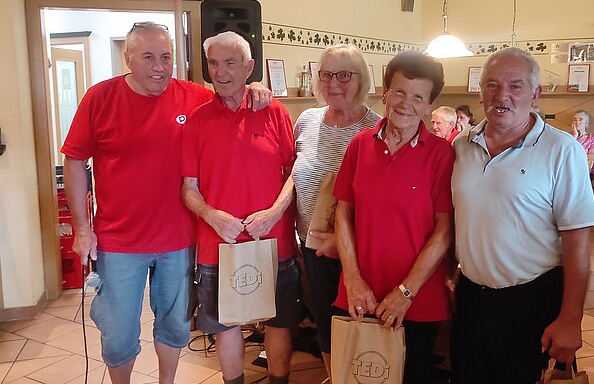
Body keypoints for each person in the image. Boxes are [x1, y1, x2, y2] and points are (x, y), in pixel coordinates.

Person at [61, 22, 270, 384]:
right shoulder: (100, 98)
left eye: (166, 57)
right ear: (128, 58)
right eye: (148, 57)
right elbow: (75, 160)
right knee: (118, 332)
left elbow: (231, 91)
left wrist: (254, 89)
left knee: (175, 326)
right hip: (119, 241)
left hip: (179, 240)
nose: (159, 67)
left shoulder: (194, 96)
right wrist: (82, 229)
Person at [450, 47, 594, 384]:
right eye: (492, 84)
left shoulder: (562, 150)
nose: (501, 95)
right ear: (480, 91)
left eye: (515, 86)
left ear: (535, 94)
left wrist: (571, 319)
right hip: (471, 298)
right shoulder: (461, 145)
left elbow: (577, 243)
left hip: (532, 301)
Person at [181, 31, 299, 384]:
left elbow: (295, 173)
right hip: (219, 246)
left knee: (279, 322)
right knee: (225, 326)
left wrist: (274, 213)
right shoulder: (197, 120)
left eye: (230, 63)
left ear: (249, 67)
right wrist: (211, 215)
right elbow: (188, 189)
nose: (220, 72)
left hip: (274, 241)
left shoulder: (274, 111)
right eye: (214, 63)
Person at [333, 50, 455, 384]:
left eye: (418, 97)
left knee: (411, 375)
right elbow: (343, 213)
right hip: (360, 291)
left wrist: (405, 292)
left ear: (429, 105)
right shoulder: (359, 145)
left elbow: (444, 230)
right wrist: (352, 279)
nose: (406, 104)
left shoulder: (442, 154)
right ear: (385, 92)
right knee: (358, 375)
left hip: (418, 298)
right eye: (400, 91)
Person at [290, 44, 381, 378]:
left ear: (362, 80)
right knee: (325, 320)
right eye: (326, 74)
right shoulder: (307, 120)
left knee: (360, 321)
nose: (333, 83)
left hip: (358, 247)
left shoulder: (376, 129)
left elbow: (382, 198)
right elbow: (292, 174)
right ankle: (335, 376)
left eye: (344, 75)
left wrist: (342, 241)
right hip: (311, 245)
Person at [570, 109, 594, 178]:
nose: (577, 122)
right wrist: (574, 136)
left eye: (580, 120)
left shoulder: (592, 137)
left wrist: (574, 156)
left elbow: (593, 156)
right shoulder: (568, 137)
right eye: (575, 120)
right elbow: (565, 154)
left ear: (586, 122)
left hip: (585, 172)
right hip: (570, 170)